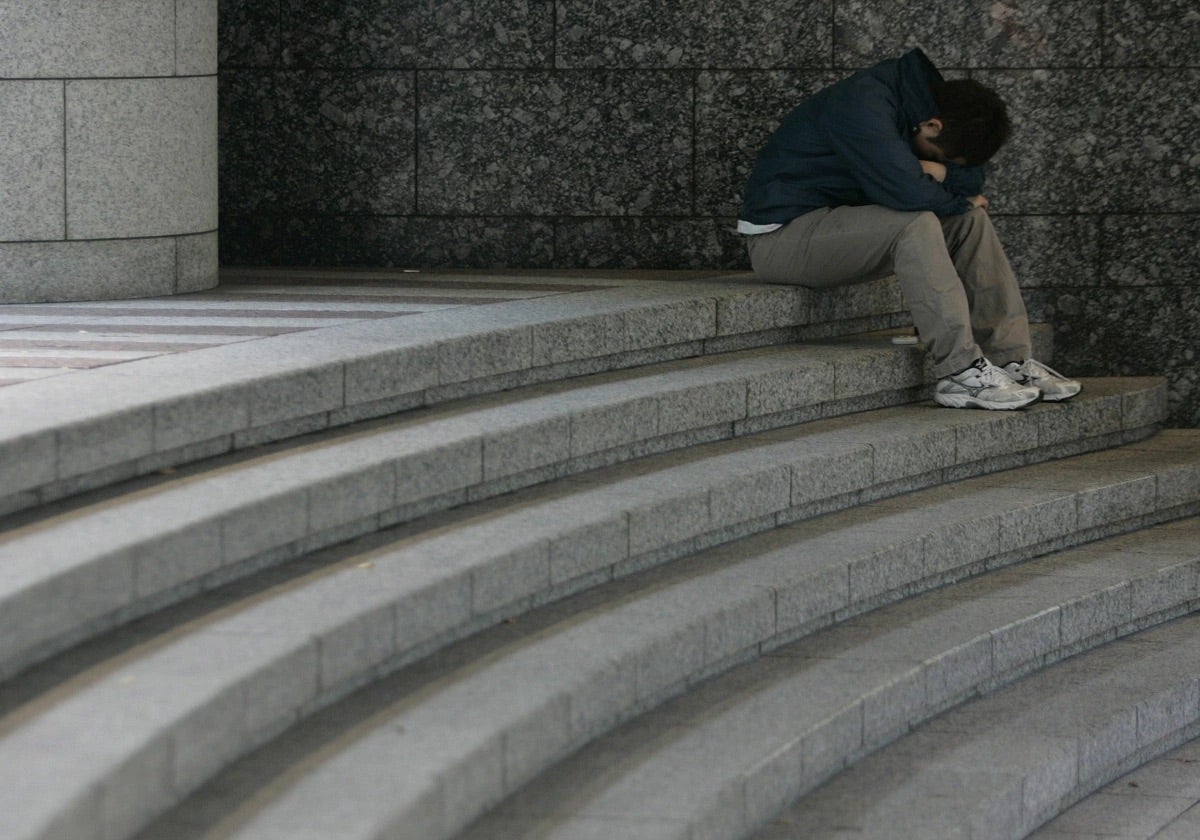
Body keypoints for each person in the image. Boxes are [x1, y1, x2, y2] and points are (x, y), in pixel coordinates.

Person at [739, 47, 1080, 410]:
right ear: (933, 126)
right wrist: (952, 194)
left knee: (970, 220)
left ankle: (1010, 360)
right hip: (782, 238)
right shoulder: (864, 106)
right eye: (937, 157)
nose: (930, 163)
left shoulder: (930, 103)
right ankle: (959, 372)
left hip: (843, 225)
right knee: (916, 222)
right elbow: (904, 191)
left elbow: (973, 176)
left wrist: (943, 172)